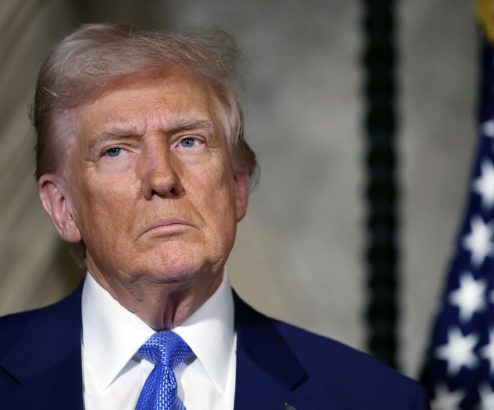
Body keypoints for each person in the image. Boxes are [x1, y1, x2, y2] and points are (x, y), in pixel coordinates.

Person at [0, 23, 426, 409]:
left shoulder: (373, 399)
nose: (163, 177)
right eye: (116, 150)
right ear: (63, 208)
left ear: (238, 185)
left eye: (189, 141)